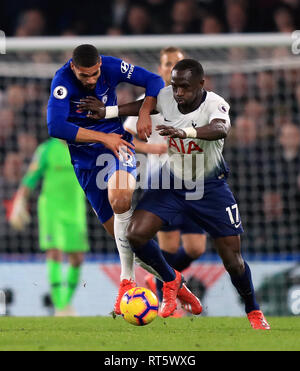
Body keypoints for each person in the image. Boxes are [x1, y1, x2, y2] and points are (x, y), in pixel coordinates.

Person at [91, 59, 270, 328]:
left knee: (233, 262)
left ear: (201, 84)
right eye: (175, 86)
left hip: (209, 187)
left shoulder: (215, 104)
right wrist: (107, 112)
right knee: (135, 234)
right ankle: (171, 280)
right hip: (171, 183)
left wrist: (185, 132)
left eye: (185, 87)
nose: (178, 93)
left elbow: (221, 128)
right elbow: (143, 106)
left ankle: (254, 311)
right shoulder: (166, 96)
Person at [46, 43, 186, 316]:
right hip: (86, 161)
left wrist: (144, 112)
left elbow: (153, 80)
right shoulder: (61, 82)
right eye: (85, 76)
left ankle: (126, 282)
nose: (91, 80)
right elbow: (56, 126)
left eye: (95, 73)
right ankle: (174, 281)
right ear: (73, 68)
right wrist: (102, 138)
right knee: (128, 239)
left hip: (119, 147)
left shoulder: (111, 66)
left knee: (121, 198)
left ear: (99, 64)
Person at [124, 47, 207, 305]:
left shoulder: (199, 101)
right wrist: (153, 148)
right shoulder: (149, 101)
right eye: (169, 64)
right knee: (169, 247)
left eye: (179, 63)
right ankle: (165, 300)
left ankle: (158, 279)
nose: (174, 68)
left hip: (194, 181)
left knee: (196, 248)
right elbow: (126, 139)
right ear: (161, 70)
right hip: (161, 181)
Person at [9, 138, 89, 316]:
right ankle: (61, 305)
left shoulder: (82, 147)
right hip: (51, 209)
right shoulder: (46, 149)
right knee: (55, 251)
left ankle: (65, 302)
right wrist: (19, 200)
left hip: (75, 209)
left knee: (77, 258)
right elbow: (31, 176)